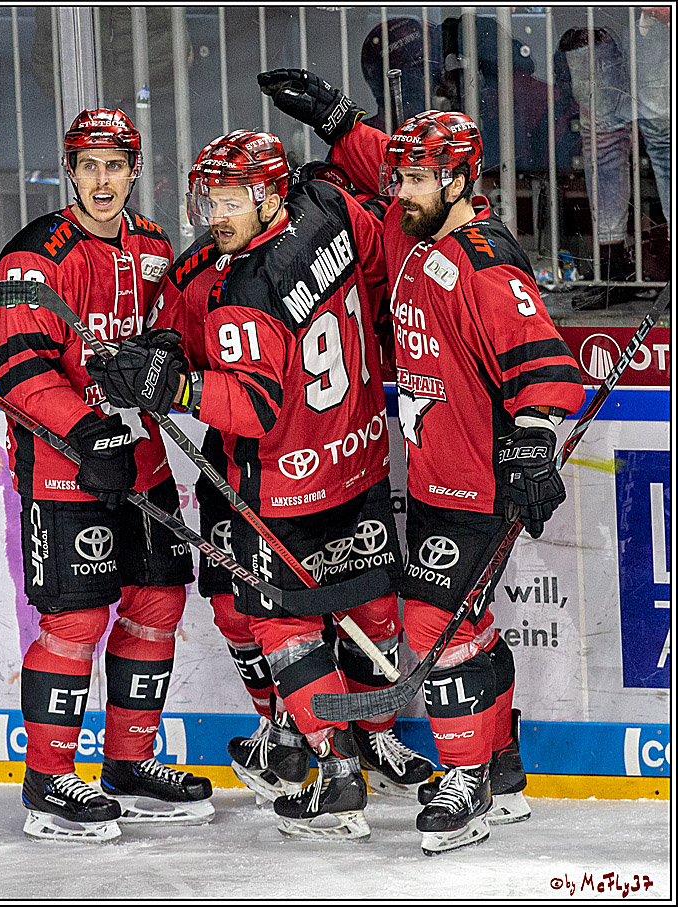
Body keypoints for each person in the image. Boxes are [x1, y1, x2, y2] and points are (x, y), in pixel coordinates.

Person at [258, 68, 586, 853]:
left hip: (479, 482)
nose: (398, 188)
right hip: (434, 474)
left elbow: (540, 363)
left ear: (462, 181)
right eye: (398, 175)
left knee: (436, 623)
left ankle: (467, 782)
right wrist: (343, 123)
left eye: (414, 178)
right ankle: (503, 772)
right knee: (466, 625)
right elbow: (381, 175)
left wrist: (535, 446)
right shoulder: (418, 232)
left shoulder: (484, 262)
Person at [89, 128, 433, 841]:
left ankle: (337, 769)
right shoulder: (326, 204)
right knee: (368, 608)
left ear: (271, 193)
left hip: (284, 487)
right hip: (361, 457)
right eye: (208, 197)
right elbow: (380, 265)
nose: (216, 212)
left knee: (287, 628)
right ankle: (338, 734)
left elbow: (254, 406)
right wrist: (159, 347)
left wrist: (176, 383)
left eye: (232, 198)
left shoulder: (245, 287)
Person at [0, 107, 211, 843]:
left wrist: (162, 362)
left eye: (114, 164)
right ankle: (49, 779)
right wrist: (85, 431)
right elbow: (20, 370)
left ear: (135, 168)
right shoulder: (36, 255)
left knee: (157, 602)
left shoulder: (151, 244)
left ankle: (129, 762)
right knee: (77, 618)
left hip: (141, 455)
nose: (101, 179)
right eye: (88, 165)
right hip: (63, 461)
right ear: (69, 170)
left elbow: (173, 328)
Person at [559, 13, 672, 309]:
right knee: (607, 142)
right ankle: (613, 272)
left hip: (635, 19)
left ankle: (614, 272)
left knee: (657, 140)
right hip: (607, 18)